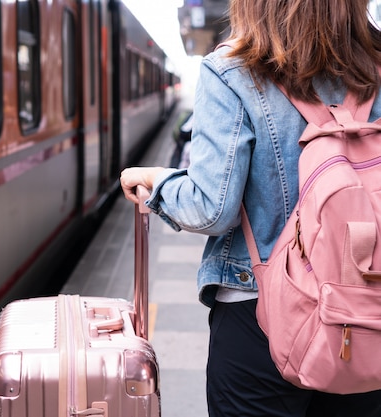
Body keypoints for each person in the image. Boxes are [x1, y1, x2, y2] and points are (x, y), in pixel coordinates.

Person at [120, 1, 381, 416]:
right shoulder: (375, 65)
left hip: (258, 310)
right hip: (367, 311)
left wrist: (159, 182)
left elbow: (211, 208)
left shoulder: (231, 69)